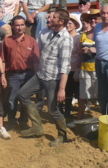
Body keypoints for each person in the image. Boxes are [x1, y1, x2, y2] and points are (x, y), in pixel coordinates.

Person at [17, 9, 73, 146]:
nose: (50, 17)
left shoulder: (65, 39)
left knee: (53, 109)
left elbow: (65, 66)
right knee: (23, 94)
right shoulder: (51, 33)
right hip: (41, 75)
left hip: (53, 79)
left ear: (61, 21)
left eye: (53, 17)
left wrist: (61, 89)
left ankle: (62, 135)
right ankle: (37, 127)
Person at [0, 15, 40, 128]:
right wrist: (2, 75)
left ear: (25, 26)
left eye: (22, 25)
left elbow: (36, 61)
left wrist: (36, 77)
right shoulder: (7, 41)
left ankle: (23, 121)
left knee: (25, 99)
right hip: (13, 75)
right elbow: (2, 60)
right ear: (12, 26)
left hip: (29, 74)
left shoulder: (31, 41)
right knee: (12, 99)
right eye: (17, 25)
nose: (19, 27)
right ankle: (12, 121)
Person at [75, 11, 99, 120]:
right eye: (91, 19)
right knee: (82, 95)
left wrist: (95, 50)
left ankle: (105, 120)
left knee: (100, 96)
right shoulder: (83, 35)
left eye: (95, 18)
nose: (93, 20)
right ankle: (79, 119)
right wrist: (83, 51)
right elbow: (79, 51)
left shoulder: (102, 34)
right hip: (85, 68)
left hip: (98, 70)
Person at [62, 15, 82, 118]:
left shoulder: (78, 38)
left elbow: (80, 54)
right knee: (64, 91)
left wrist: (78, 68)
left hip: (75, 68)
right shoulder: (63, 36)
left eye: (70, 23)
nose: (68, 25)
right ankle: (64, 112)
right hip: (65, 68)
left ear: (75, 26)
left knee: (73, 91)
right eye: (66, 23)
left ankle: (73, 113)